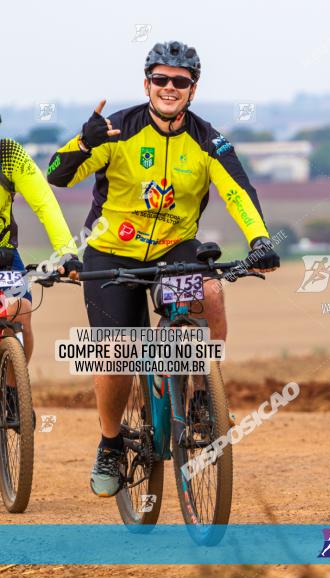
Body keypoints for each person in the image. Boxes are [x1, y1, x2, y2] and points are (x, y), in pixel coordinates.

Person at [47, 41, 280, 497]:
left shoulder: (207, 139)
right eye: (161, 79)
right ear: (147, 83)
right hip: (112, 251)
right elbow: (57, 173)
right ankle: (111, 444)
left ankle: (199, 400)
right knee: (118, 352)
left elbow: (238, 191)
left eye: (180, 81)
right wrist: (82, 141)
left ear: (193, 89)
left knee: (210, 294)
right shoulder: (117, 130)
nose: (169, 88)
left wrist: (259, 239)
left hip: (175, 248)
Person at [0, 115, 81, 423]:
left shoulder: (9, 154)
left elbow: (45, 203)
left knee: (21, 311)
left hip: (3, 256)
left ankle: (12, 391)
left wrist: (67, 253)